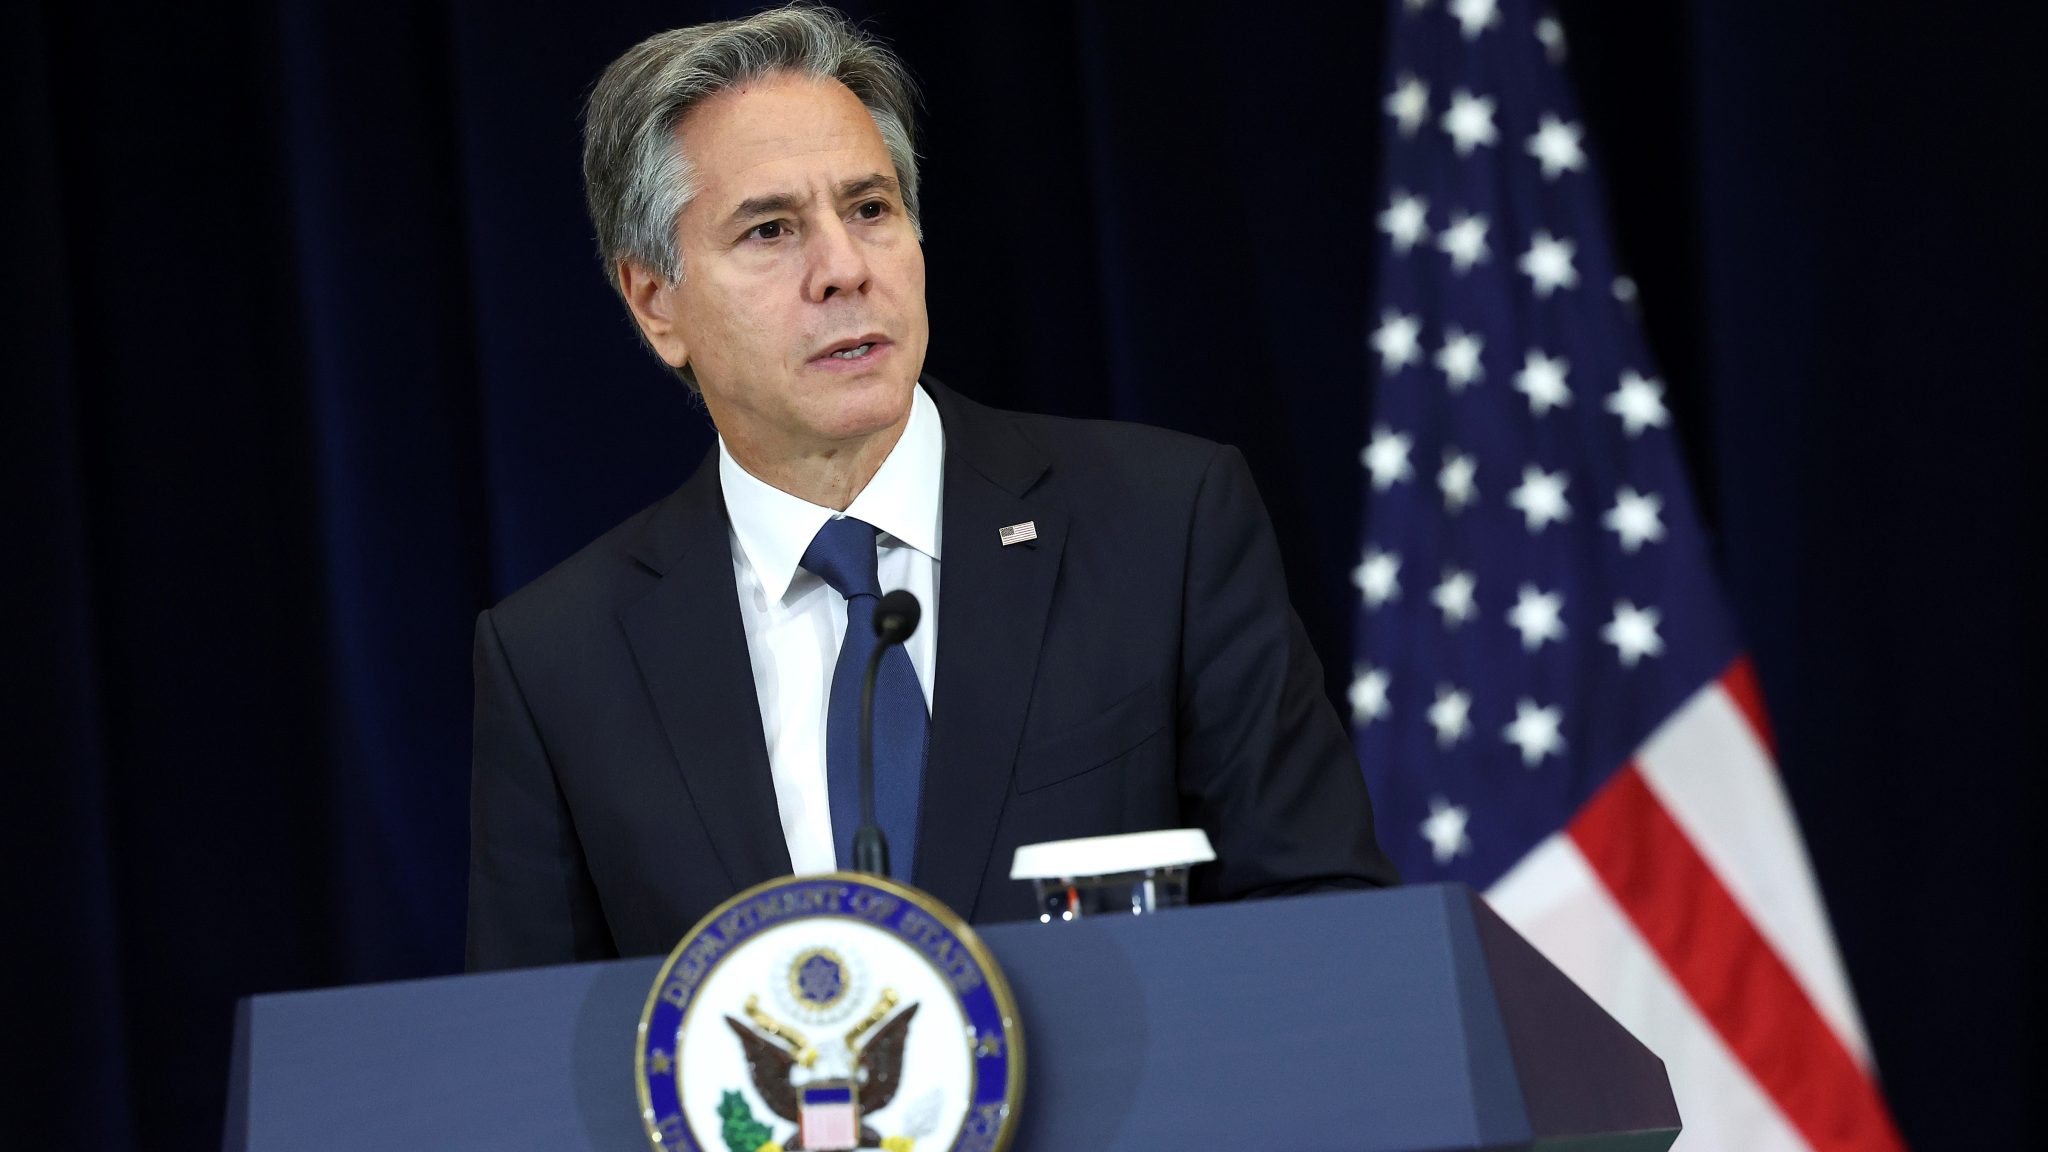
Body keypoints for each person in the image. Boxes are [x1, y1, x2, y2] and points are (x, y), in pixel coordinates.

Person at [466, 3, 1396, 971]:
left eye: (870, 209)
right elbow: (522, 1039)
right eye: (771, 229)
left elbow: (1327, 917)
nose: (843, 269)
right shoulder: (559, 661)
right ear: (656, 303)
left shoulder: (1163, 525)